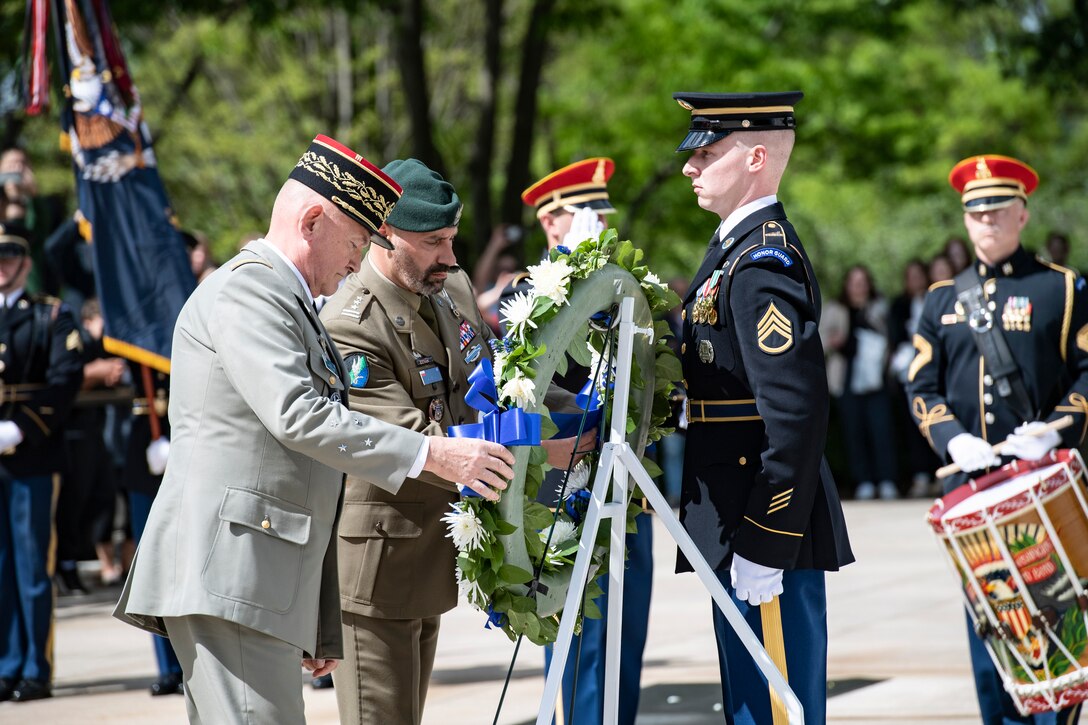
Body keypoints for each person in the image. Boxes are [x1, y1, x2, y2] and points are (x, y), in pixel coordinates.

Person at [113, 135, 516, 724]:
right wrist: (431, 453)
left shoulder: (287, 298)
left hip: (258, 575)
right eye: (355, 242)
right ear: (310, 222)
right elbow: (299, 416)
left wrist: (317, 614)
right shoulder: (252, 290)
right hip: (233, 574)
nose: (357, 262)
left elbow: (305, 472)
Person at [320, 158, 593, 725]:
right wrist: (548, 452)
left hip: (431, 555)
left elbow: (498, 389)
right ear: (384, 233)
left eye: (452, 239)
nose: (449, 256)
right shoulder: (352, 323)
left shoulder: (450, 288)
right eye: (432, 242)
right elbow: (414, 443)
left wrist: (587, 411)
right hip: (378, 568)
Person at [671, 91, 854, 724]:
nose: (691, 167)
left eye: (707, 152)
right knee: (752, 703)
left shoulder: (759, 262)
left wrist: (767, 542)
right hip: (737, 516)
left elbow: (795, 417)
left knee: (777, 709)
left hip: (762, 523)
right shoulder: (733, 251)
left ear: (755, 157)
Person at [907, 154, 1088, 724]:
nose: (986, 221)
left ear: (1023, 214)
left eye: (998, 209)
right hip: (974, 488)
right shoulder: (940, 300)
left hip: (1041, 486)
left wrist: (1054, 428)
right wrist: (953, 440)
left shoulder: (1060, 289)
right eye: (976, 211)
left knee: (1057, 624)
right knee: (991, 624)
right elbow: (921, 384)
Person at [513, 157, 654, 725]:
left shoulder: (622, 284)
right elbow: (537, 385)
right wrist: (576, 276)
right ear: (553, 224)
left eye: (602, 212)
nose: (600, 223)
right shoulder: (534, 292)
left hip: (625, 476)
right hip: (566, 481)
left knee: (627, 629)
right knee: (581, 636)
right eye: (586, 213)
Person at [0, 221, 85, 702]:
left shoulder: (51, 315)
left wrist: (19, 428)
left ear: (25, 264)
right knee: (0, 568)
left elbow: (64, 380)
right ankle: (5, 664)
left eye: (10, 258)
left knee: (33, 565)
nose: (2, 267)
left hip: (32, 455)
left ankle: (35, 667)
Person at [824, 265, 899, 500]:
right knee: (853, 432)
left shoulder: (880, 307)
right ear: (847, 284)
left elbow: (892, 338)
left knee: (882, 430)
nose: (859, 286)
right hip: (846, 379)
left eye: (862, 281)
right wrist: (834, 340)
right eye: (854, 281)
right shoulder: (835, 309)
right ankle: (863, 480)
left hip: (877, 379)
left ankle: (887, 479)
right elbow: (819, 340)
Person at [887, 259, 938, 498]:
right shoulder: (899, 304)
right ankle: (920, 475)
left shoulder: (935, 298)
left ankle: (938, 472)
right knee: (912, 425)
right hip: (908, 370)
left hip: (934, 369)